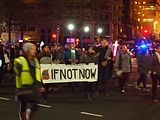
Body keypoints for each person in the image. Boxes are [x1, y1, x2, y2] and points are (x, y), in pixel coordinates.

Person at [14, 42, 41, 120]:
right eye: (32, 49)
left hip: (34, 86)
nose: (34, 50)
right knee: (23, 104)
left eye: (35, 49)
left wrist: (40, 84)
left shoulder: (35, 60)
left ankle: (29, 117)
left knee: (35, 105)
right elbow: (17, 72)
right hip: (23, 86)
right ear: (27, 50)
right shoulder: (20, 60)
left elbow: (38, 73)